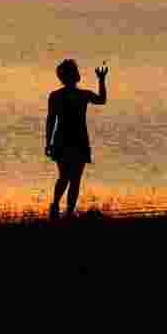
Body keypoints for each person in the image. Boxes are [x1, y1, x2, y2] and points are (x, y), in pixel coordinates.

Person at [45, 59, 108, 220]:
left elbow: (101, 100)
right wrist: (48, 142)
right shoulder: (66, 96)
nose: (76, 74)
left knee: (70, 178)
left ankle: (67, 211)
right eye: (74, 72)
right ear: (72, 76)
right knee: (68, 177)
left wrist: (101, 80)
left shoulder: (66, 95)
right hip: (69, 141)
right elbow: (51, 120)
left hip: (73, 141)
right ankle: (57, 206)